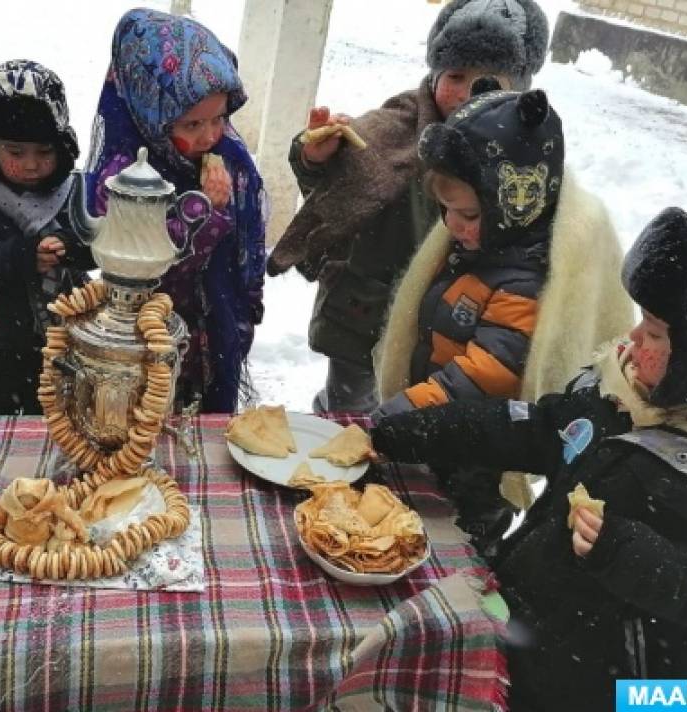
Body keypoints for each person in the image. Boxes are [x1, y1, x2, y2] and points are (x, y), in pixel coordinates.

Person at [371, 203, 687, 711]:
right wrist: (428, 430)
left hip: (618, 687)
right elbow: (540, 429)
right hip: (533, 632)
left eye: (658, 333)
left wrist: (629, 554)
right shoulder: (623, 386)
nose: (636, 338)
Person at [371, 85, 635, 550]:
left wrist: (402, 411)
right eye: (446, 210)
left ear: (515, 201)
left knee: (453, 547)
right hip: (439, 425)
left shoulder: (527, 279)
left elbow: (487, 372)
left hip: (479, 458)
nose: (452, 226)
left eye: (468, 213)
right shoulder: (478, 247)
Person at [267, 0, 550, 415]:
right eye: (455, 75)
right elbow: (340, 181)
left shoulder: (524, 151)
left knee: (420, 415)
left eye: (488, 79)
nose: (467, 91)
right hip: (366, 311)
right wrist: (318, 157)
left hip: (457, 322)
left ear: (520, 85)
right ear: (435, 72)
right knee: (352, 415)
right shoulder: (400, 125)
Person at [85, 8, 267, 413]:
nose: (211, 135)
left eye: (219, 118)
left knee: (203, 425)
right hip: (149, 338)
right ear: (152, 114)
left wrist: (247, 300)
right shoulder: (122, 173)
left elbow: (248, 239)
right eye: (192, 125)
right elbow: (153, 265)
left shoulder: (228, 155)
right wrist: (208, 212)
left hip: (211, 331)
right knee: (149, 424)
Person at [0, 59, 96, 415]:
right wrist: (21, 257)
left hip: (71, 341)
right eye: (15, 152)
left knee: (69, 424)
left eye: (45, 152)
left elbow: (102, 245)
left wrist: (75, 247)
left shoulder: (75, 191)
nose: (31, 164)